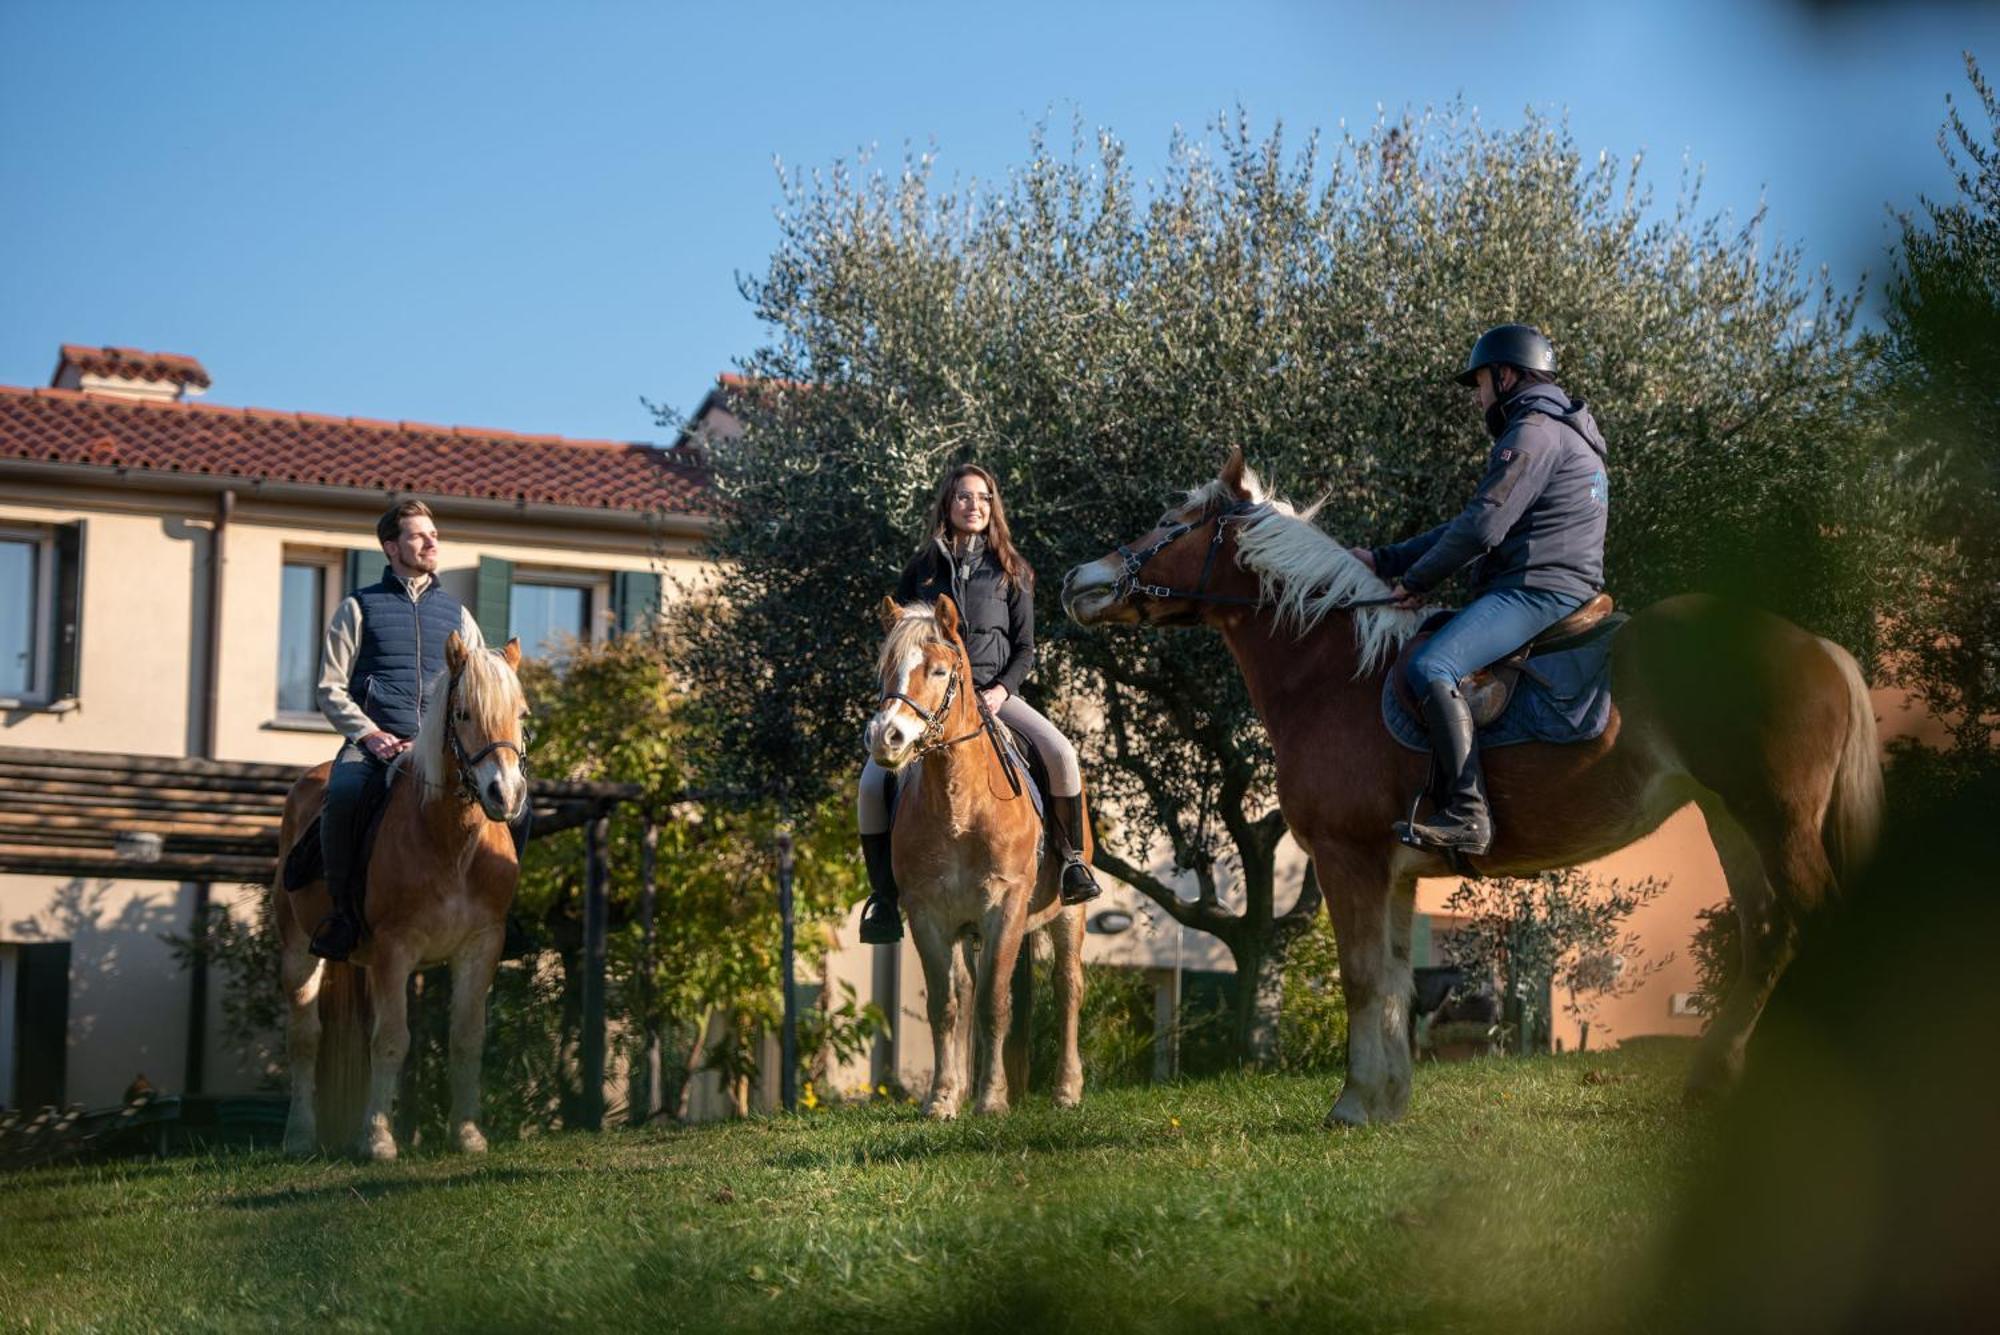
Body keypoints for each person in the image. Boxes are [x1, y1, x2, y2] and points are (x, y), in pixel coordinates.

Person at [1351, 324, 1609, 856]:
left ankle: (1468, 813)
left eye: (1482, 384)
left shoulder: (1533, 432)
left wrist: (1417, 582)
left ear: (1507, 374)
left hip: (1537, 591)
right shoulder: (1564, 429)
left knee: (1430, 667)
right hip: (1556, 584)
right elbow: (1471, 521)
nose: (1479, 399)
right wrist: (1385, 560)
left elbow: (1482, 529)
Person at [856, 464, 1101, 944]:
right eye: (965, 497)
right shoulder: (921, 569)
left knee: (1063, 756)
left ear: (994, 507)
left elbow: (1026, 648)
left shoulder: (1014, 570)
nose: (975, 506)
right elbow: (900, 644)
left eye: (984, 498)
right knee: (870, 784)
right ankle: (884, 898)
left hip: (994, 694)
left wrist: (1001, 690)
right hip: (934, 703)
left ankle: (1071, 864)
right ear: (948, 504)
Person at [311, 499, 496, 961]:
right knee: (345, 795)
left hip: (438, 750)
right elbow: (330, 688)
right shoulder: (358, 607)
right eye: (418, 535)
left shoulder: (459, 615)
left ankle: (503, 910)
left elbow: (475, 689)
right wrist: (368, 734)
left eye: (433, 533)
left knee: (518, 808)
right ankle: (342, 914)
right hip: (374, 744)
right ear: (391, 547)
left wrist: (438, 740)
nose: (431, 541)